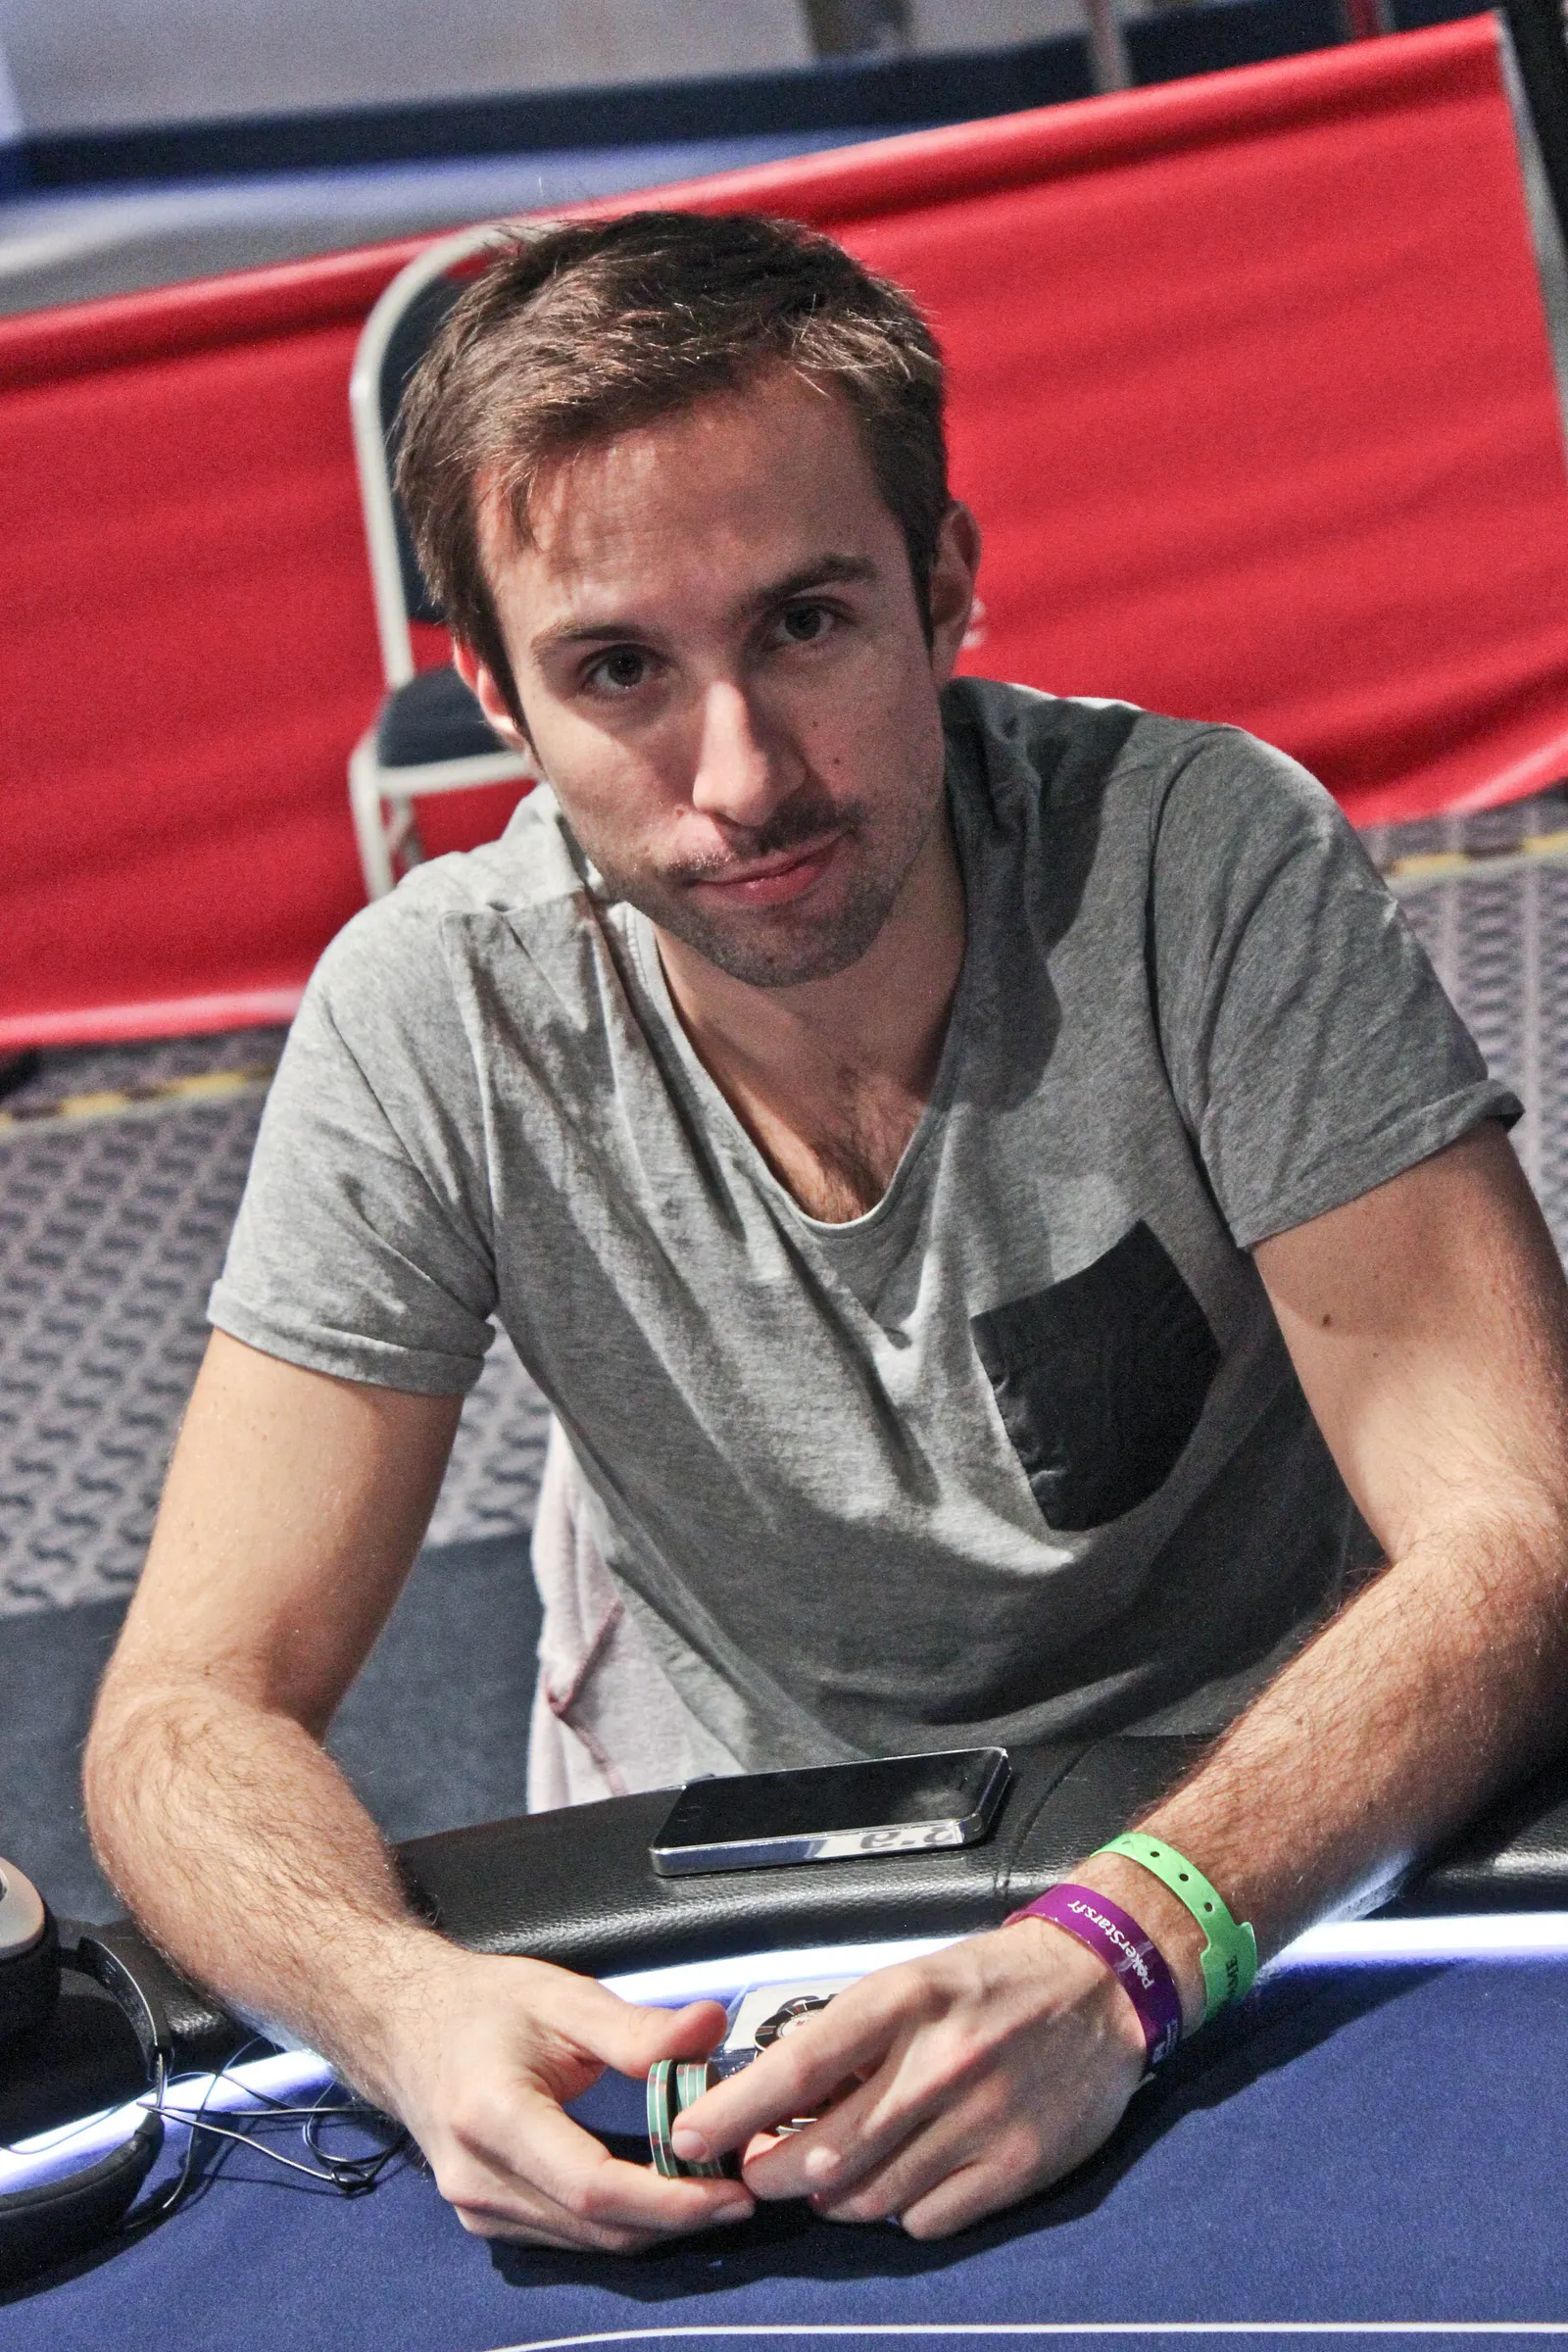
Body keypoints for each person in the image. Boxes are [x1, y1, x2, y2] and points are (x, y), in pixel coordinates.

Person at [85, 210, 1568, 2254]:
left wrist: (1128, 1947)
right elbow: (183, 1709)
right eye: (617, 668)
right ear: (495, 695)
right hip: (743, 1866)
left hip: (1249, 1796)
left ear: (943, 584)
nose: (741, 777)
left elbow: (1520, 1533)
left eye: (804, 623)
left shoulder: (1200, 869)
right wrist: (394, 2005)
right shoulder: (432, 1012)